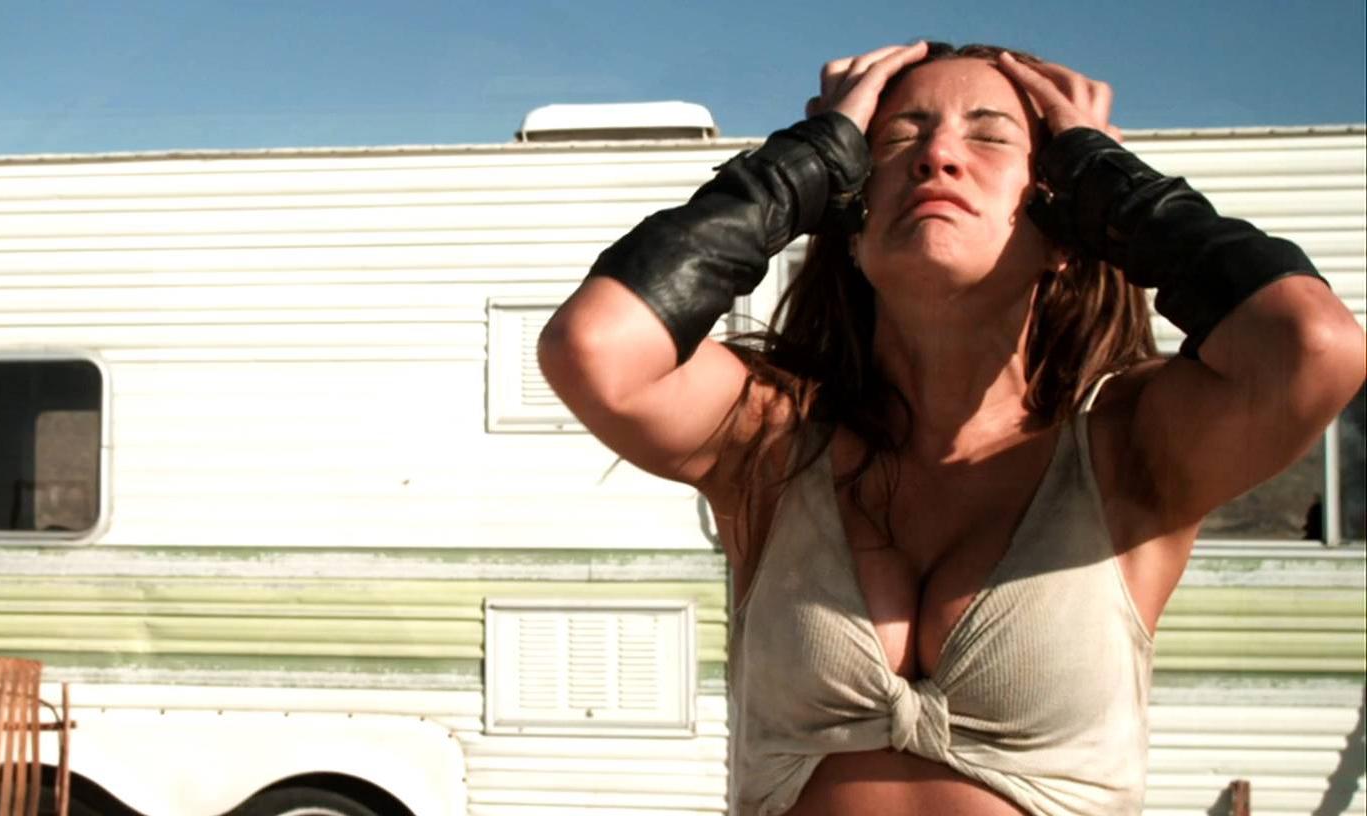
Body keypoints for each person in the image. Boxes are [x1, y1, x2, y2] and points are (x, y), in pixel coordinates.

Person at [538, 41, 1366, 816]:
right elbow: (594, 349)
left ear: (1065, 229)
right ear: (852, 222)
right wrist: (805, 161)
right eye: (898, 138)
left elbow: (1313, 348)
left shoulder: (1126, 448)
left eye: (990, 137)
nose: (937, 155)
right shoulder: (769, 438)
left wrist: (1111, 179)